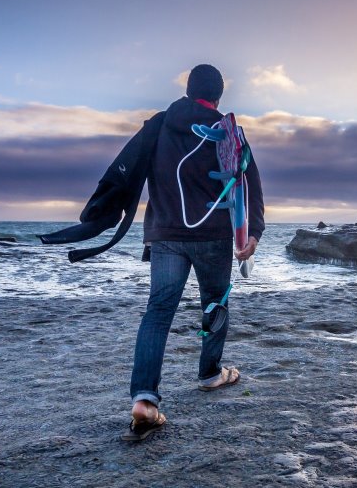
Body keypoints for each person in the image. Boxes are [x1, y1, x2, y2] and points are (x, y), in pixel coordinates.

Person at [123, 64, 265, 441]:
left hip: (166, 233)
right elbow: (250, 181)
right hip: (213, 235)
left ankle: (144, 400)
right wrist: (254, 233)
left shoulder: (158, 124)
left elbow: (131, 170)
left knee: (158, 311)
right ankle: (209, 374)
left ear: (187, 90)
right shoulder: (228, 130)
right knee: (214, 304)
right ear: (218, 96)